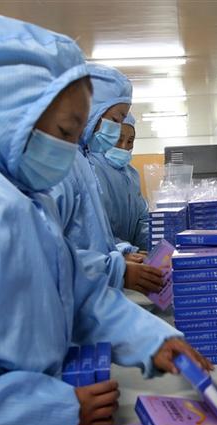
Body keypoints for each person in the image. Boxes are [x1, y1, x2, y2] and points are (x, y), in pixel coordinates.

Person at [0, 14, 212, 425]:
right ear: (15, 110)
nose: (72, 152)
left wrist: (152, 340)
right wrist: (52, 414)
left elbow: (77, 292)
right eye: (67, 131)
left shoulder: (28, 195)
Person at [51, 63, 163, 295]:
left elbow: (95, 236)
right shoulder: (64, 166)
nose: (118, 131)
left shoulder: (81, 162)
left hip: (93, 286)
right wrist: (117, 267)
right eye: (116, 119)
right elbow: (49, 252)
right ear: (90, 110)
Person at [94, 112, 150, 251]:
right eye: (118, 139)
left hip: (131, 259)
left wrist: (152, 245)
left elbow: (142, 219)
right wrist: (122, 251)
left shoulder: (132, 174)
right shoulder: (92, 169)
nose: (124, 147)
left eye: (130, 141)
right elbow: (91, 226)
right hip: (104, 256)